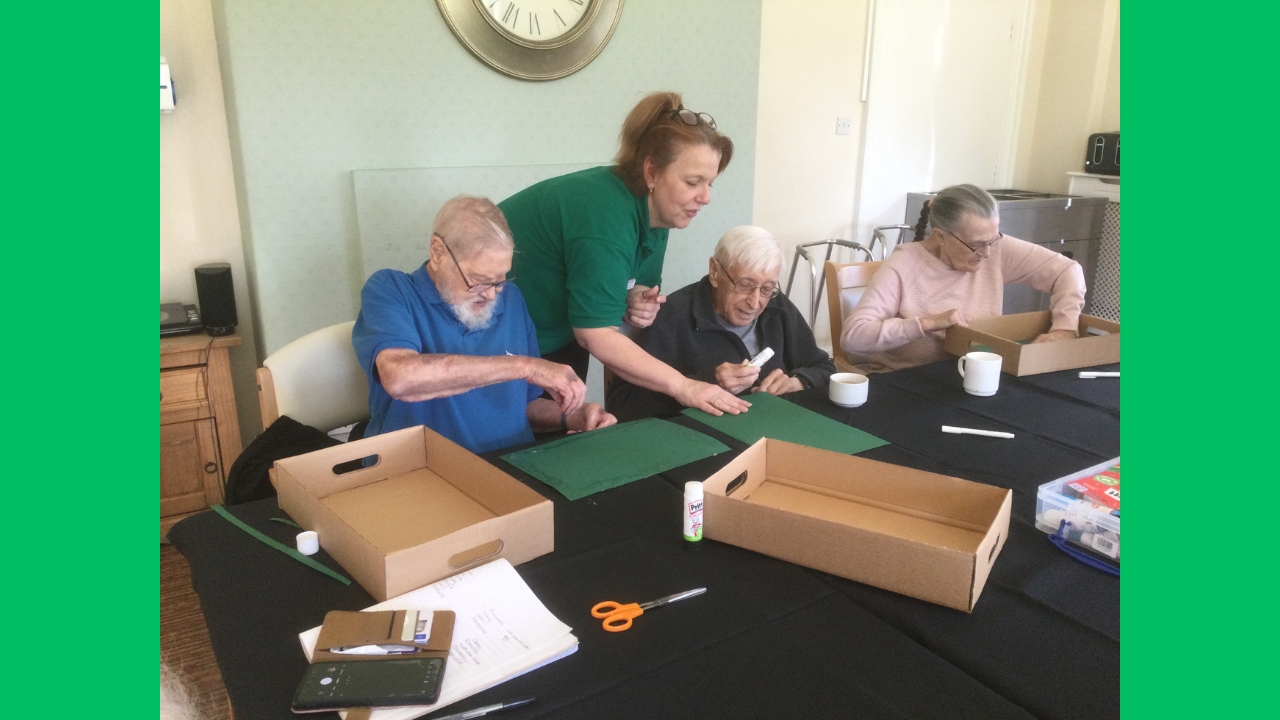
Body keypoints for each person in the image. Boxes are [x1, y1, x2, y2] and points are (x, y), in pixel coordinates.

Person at [498, 91, 750, 418]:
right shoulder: (607, 216)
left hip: (556, 331)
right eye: (692, 182)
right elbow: (595, 336)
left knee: (560, 431)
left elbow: (635, 283)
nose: (704, 197)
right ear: (651, 173)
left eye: (710, 184)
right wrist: (685, 386)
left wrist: (637, 298)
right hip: (500, 338)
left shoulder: (659, 213)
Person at [351, 196, 615, 454]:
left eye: (501, 278)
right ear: (437, 252)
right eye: (479, 279)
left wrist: (573, 416)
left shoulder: (509, 299)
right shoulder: (391, 290)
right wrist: (526, 366)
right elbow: (401, 378)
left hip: (512, 467)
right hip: (419, 474)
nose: (491, 294)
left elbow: (522, 406)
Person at [840, 184, 1086, 374]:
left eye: (992, 240)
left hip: (973, 374)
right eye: (977, 245)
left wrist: (1064, 328)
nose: (987, 253)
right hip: (909, 381)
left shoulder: (994, 249)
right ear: (941, 236)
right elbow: (853, 338)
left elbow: (1068, 271)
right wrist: (925, 324)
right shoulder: (904, 265)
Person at [607, 226, 836, 422]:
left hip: (775, 430)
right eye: (745, 285)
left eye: (766, 288)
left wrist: (797, 382)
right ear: (715, 271)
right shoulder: (672, 316)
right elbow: (624, 404)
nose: (755, 302)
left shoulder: (778, 308)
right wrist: (705, 383)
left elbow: (825, 367)